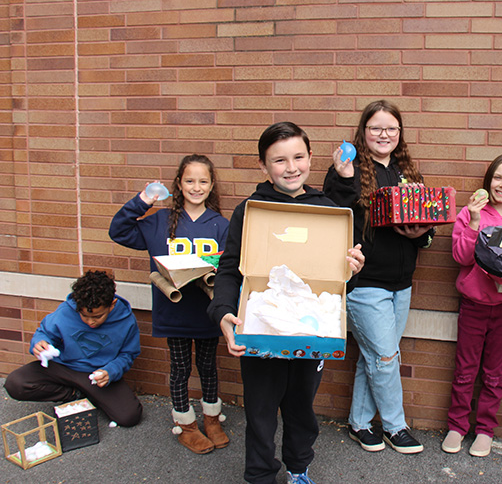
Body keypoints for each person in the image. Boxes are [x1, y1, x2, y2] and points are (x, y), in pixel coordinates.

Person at [207, 122, 365, 484]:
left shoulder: (326, 208)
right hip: (261, 324)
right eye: (279, 160)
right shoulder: (250, 210)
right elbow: (231, 268)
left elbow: (336, 281)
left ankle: (298, 469)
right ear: (264, 166)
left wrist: (353, 269)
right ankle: (261, 476)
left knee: (301, 408)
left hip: (311, 326)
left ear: (311, 158)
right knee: (261, 411)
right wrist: (224, 312)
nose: (291, 167)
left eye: (298, 157)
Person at [324, 99, 434, 455]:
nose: (383, 134)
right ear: (363, 131)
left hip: (402, 283)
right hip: (365, 282)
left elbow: (427, 226)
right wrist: (342, 179)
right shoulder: (347, 167)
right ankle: (395, 426)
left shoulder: (409, 173)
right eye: (376, 128)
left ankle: (358, 423)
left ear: (400, 134)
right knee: (386, 357)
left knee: (374, 355)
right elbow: (332, 217)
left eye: (391, 128)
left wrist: (422, 235)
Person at [109, 154, 230, 454]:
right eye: (189, 180)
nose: (196, 187)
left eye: (203, 181)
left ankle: (212, 419)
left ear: (212, 184)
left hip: (205, 314)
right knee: (179, 368)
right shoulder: (160, 221)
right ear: (179, 183)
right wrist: (143, 200)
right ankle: (186, 425)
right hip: (173, 312)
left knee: (208, 367)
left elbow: (229, 265)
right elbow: (119, 231)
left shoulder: (220, 224)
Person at [441, 153, 502, 457]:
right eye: (498, 177)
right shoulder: (472, 214)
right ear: (489, 180)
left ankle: (485, 430)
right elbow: (461, 257)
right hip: (473, 305)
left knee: (495, 373)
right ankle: (457, 425)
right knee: (465, 370)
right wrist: (473, 221)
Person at [5, 270, 142, 427]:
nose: (90, 322)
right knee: (15, 383)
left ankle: (87, 393)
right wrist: (40, 343)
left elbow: (128, 354)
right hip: (63, 367)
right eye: (84, 316)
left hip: (98, 375)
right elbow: (44, 333)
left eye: (97, 317)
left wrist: (111, 371)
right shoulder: (66, 310)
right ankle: (74, 394)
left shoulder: (127, 320)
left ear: (112, 304)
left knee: (130, 416)